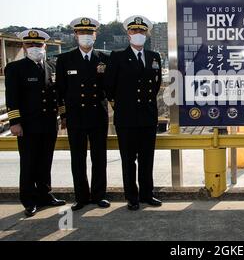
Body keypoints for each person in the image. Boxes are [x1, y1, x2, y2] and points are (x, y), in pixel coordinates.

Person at [5, 29, 65, 217]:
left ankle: (44, 194)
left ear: (44, 46)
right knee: (29, 162)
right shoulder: (15, 69)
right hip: (28, 125)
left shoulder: (49, 67)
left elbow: (56, 95)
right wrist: (14, 122)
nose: (35, 48)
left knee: (45, 161)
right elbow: (12, 98)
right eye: (30, 44)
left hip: (48, 123)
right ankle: (29, 199)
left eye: (38, 45)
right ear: (24, 46)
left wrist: (62, 116)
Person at [105, 15, 162, 210]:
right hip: (127, 117)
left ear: (146, 34)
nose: (138, 34)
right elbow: (109, 87)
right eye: (134, 31)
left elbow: (156, 86)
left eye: (142, 31)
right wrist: (120, 105)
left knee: (147, 158)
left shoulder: (154, 57)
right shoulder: (118, 57)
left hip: (147, 115)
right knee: (129, 160)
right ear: (128, 34)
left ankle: (147, 194)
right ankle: (132, 196)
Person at [56, 17, 110, 211]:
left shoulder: (104, 58)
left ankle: (99, 195)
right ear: (75, 35)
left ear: (95, 35)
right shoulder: (65, 60)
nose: (85, 36)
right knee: (77, 158)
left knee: (99, 157)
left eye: (89, 33)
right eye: (82, 33)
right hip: (75, 116)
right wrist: (63, 115)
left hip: (97, 114)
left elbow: (110, 87)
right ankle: (81, 197)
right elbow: (60, 90)